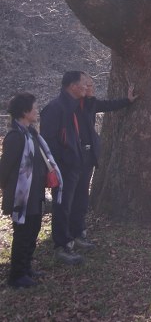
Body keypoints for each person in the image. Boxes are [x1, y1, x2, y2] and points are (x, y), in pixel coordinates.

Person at [1, 93, 62, 287]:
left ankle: (26, 268)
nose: (37, 111)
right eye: (34, 108)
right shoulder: (15, 137)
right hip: (21, 197)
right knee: (22, 235)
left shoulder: (32, 135)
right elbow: (5, 170)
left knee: (33, 232)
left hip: (35, 195)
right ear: (24, 111)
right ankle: (16, 276)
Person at [74, 75, 136, 247]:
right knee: (71, 198)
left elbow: (109, 105)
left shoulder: (91, 103)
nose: (91, 88)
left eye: (92, 84)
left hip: (88, 157)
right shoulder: (70, 106)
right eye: (88, 85)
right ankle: (68, 236)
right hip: (73, 157)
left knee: (82, 197)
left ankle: (79, 231)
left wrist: (128, 100)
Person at [39, 71, 90, 264]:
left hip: (77, 165)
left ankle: (76, 235)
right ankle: (62, 245)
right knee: (62, 206)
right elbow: (48, 142)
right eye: (83, 83)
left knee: (78, 202)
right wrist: (62, 162)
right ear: (72, 86)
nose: (86, 86)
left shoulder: (75, 106)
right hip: (63, 168)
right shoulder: (55, 108)